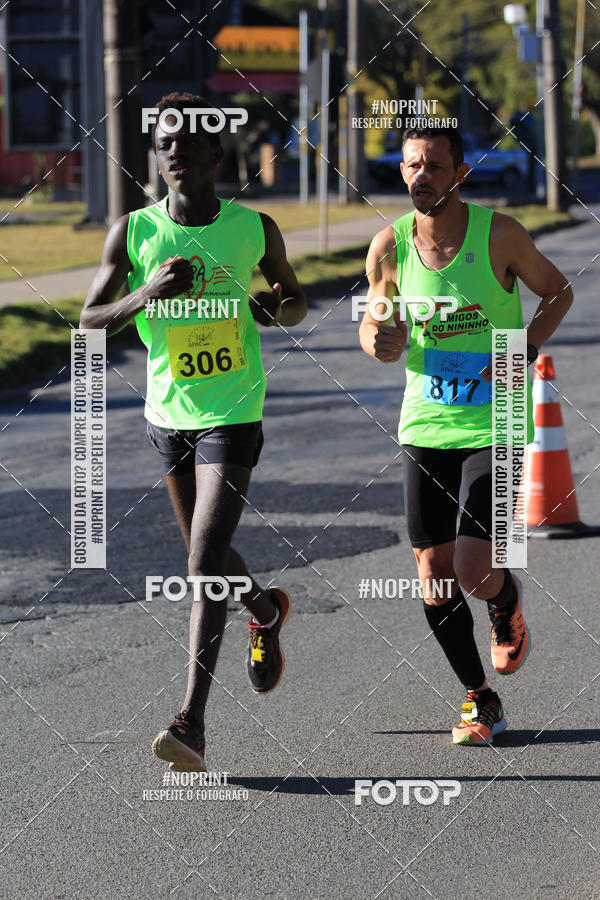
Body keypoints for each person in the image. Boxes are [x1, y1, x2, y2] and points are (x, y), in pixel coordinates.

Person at [80, 93, 307, 771]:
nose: (175, 152)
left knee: (204, 560)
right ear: (156, 157)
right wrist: (145, 294)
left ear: (215, 153)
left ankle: (191, 724)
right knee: (210, 555)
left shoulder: (254, 228)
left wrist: (277, 307)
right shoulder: (133, 232)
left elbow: (295, 299)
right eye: (164, 144)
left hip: (233, 408)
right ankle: (265, 610)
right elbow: (90, 322)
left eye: (188, 143)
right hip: (167, 414)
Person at [359, 126, 573, 745]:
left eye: (433, 164)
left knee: (475, 569)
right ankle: (480, 699)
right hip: (426, 420)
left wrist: (524, 349)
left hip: (498, 416)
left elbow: (557, 291)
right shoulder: (388, 247)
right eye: (411, 165)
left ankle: (504, 601)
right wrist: (380, 339)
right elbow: (377, 328)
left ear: (459, 173)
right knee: (433, 571)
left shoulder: (499, 234)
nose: (420, 175)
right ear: (401, 172)